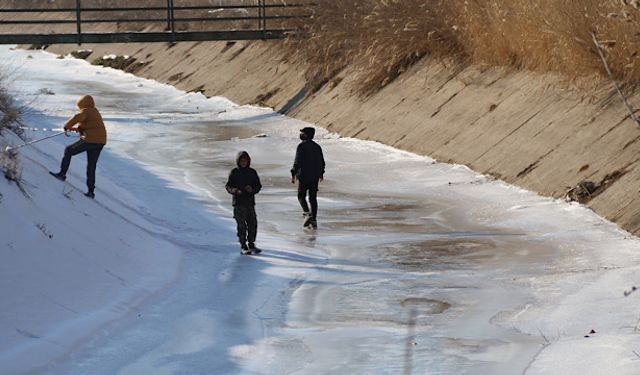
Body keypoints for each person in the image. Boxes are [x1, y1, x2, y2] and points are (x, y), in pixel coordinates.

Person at [49, 95, 107, 199]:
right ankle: (91, 192)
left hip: (90, 140)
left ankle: (62, 174)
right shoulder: (95, 111)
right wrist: (77, 129)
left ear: (82, 104)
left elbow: (77, 117)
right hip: (100, 142)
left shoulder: (86, 111)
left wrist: (66, 126)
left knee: (69, 150)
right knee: (91, 166)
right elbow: (91, 126)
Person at [226, 151, 262, 255]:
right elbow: (228, 186)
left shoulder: (252, 172)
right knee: (241, 225)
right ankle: (243, 245)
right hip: (238, 203)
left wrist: (252, 189)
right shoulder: (234, 172)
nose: (243, 162)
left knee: (253, 224)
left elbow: (258, 186)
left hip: (250, 202)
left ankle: (251, 243)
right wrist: (235, 191)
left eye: (245, 160)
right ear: (238, 161)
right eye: (241, 160)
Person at [291, 127, 325, 229]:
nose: (300, 134)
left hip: (303, 176)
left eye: (302, 133)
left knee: (301, 196)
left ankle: (307, 213)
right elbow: (321, 162)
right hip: (314, 176)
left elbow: (298, 161)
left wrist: (293, 173)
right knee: (313, 198)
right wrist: (321, 173)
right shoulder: (317, 147)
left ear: (306, 135)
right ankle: (313, 219)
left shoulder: (301, 146)